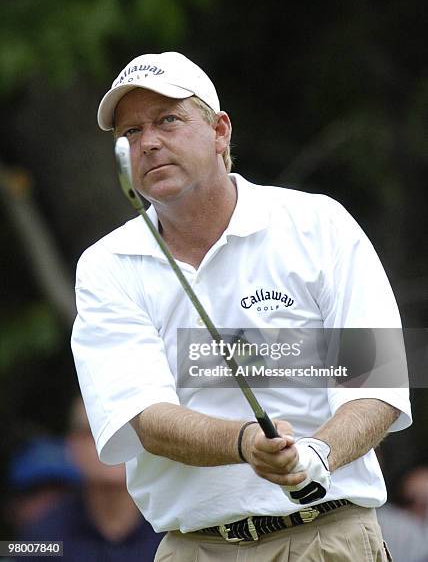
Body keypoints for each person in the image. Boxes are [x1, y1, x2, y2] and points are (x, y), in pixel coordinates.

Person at [72, 51, 412, 561]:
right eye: (130, 132)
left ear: (220, 132)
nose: (149, 142)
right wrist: (245, 442)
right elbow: (146, 417)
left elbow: (376, 390)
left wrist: (319, 454)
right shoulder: (107, 265)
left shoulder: (318, 225)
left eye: (168, 119)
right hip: (196, 549)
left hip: (329, 537)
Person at [21, 397, 164, 561]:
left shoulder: (175, 528)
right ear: (72, 445)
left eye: (126, 429)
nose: (112, 441)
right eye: (95, 431)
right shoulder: (42, 535)